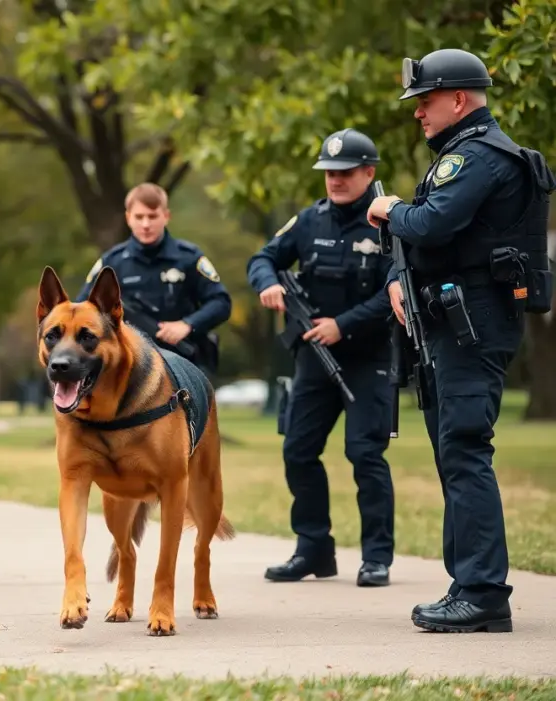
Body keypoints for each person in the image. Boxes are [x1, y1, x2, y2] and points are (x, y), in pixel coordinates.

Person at [368, 49, 555, 633]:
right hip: (452, 321)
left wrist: (389, 206)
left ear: (457, 100)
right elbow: (426, 246)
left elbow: (427, 224)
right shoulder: (461, 154)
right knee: (455, 452)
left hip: (471, 326)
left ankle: (481, 592)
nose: (419, 114)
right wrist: (400, 279)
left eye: (425, 102)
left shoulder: (476, 156)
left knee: (466, 449)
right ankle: (466, 584)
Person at [247, 128, 396, 587]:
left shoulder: (390, 221)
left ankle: (376, 557)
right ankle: (313, 549)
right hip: (313, 356)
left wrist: (343, 324)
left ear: (368, 173)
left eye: (345, 172)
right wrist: (267, 283)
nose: (335, 180)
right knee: (297, 450)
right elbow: (263, 258)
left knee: (364, 453)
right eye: (329, 172)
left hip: (367, 356)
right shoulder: (308, 221)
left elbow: (398, 289)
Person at [74, 182, 231, 378]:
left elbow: (221, 303)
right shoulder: (112, 262)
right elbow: (82, 308)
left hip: (183, 363)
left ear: (166, 216)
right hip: (131, 367)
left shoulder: (189, 257)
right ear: (128, 218)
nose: (146, 224)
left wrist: (187, 324)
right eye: (139, 217)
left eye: (152, 216)